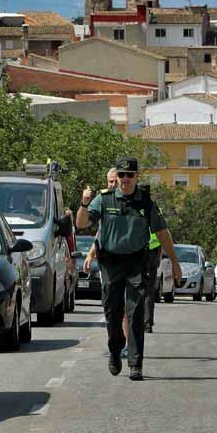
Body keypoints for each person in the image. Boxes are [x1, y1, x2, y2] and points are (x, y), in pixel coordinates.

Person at [76, 157, 181, 381]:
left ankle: (135, 363)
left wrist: (174, 260)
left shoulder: (146, 203)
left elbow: (162, 233)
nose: (124, 179)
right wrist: (84, 204)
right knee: (112, 313)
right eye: (121, 175)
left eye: (129, 175)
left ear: (136, 176)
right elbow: (82, 224)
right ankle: (115, 350)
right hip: (111, 263)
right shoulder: (103, 200)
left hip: (136, 262)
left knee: (135, 313)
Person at [83, 168, 131, 355]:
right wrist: (90, 254)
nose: (112, 184)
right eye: (109, 181)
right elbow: (100, 232)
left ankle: (127, 344)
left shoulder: (126, 201)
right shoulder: (103, 201)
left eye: (114, 181)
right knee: (112, 306)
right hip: (108, 262)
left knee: (125, 305)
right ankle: (117, 342)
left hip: (128, 260)